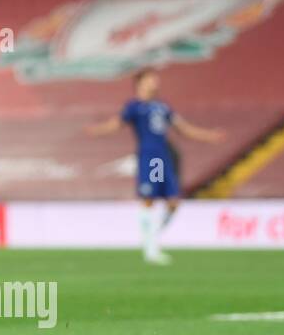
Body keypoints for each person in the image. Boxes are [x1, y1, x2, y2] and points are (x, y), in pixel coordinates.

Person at [86, 67, 224, 265]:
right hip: (149, 158)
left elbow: (183, 128)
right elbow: (116, 124)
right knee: (149, 199)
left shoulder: (162, 107)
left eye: (155, 80)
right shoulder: (134, 106)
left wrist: (209, 136)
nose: (155, 83)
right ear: (140, 83)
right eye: (151, 79)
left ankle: (152, 238)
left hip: (162, 158)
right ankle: (151, 248)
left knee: (173, 202)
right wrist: (97, 130)